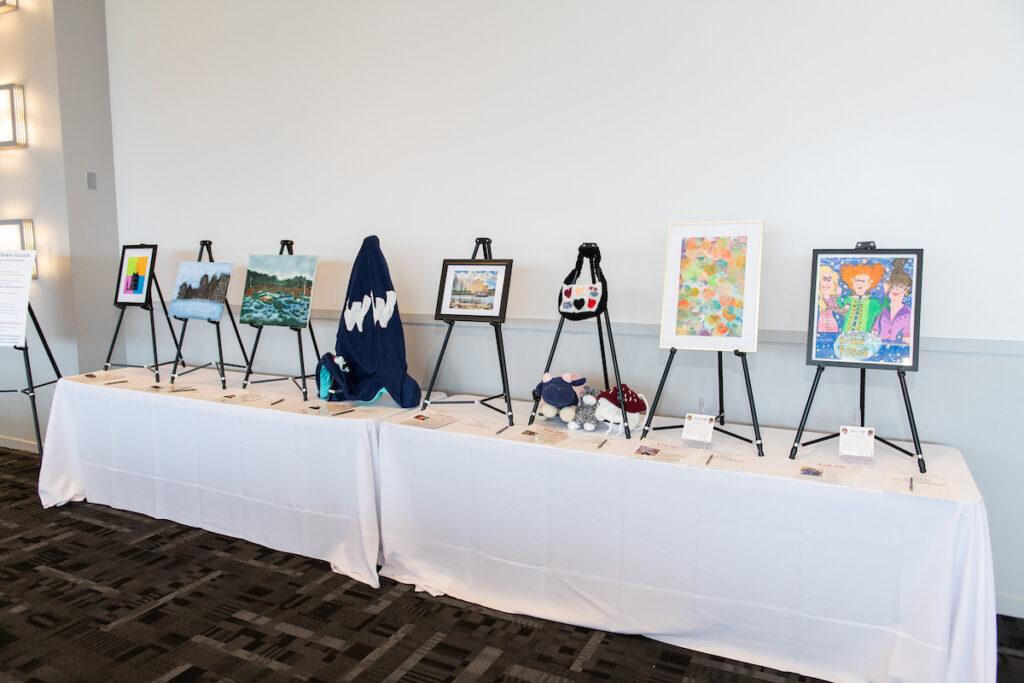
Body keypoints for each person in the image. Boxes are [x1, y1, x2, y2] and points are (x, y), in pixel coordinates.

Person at [837, 262, 886, 333]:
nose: (860, 284)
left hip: (864, 339)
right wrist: (837, 296)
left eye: (863, 282)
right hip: (845, 338)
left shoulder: (874, 302)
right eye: (857, 281)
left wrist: (886, 295)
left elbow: (883, 313)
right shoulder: (845, 300)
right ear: (851, 281)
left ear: (870, 283)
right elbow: (836, 310)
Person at [873, 259, 914, 342]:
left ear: (906, 289)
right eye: (893, 285)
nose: (896, 289)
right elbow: (874, 332)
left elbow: (908, 339)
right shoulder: (884, 311)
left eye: (900, 286)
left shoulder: (908, 313)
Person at [816, 264, 842, 333]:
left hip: (832, 324)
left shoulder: (832, 298)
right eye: (824, 279)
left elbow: (837, 309)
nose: (826, 282)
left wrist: (837, 295)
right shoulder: (818, 298)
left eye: (829, 279)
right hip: (821, 324)